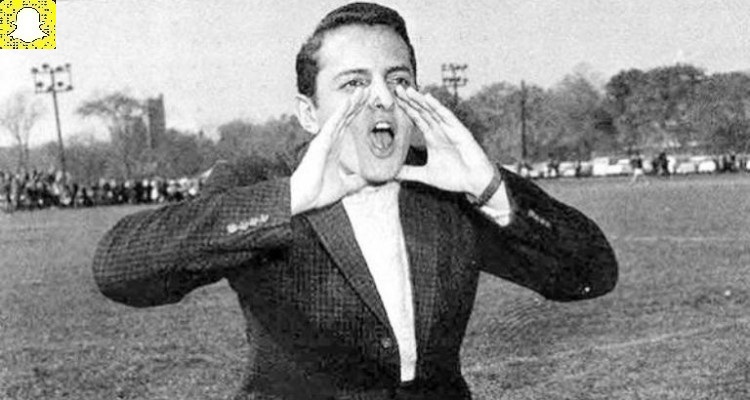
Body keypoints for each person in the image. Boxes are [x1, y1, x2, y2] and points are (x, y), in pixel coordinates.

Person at [92, 3, 618, 399]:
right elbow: (120, 270)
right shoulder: (264, 182)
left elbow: (590, 274)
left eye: (398, 80)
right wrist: (290, 200)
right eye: (353, 83)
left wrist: (491, 190)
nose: (382, 98)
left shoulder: (448, 184)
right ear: (309, 112)